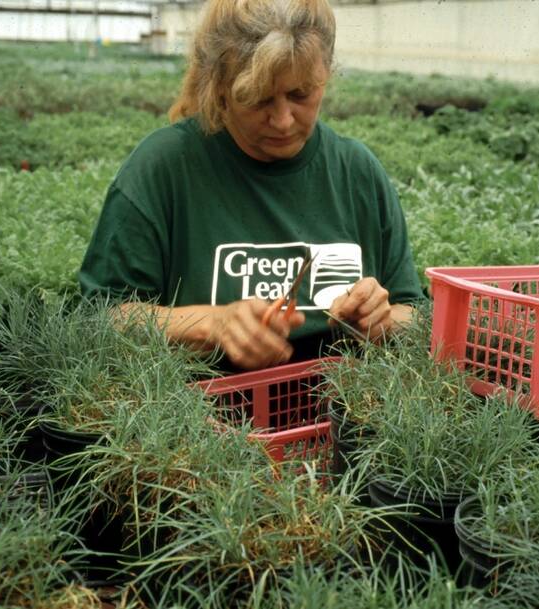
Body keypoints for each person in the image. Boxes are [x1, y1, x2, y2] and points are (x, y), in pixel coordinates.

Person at [79, 0, 422, 371]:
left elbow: (415, 314)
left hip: (339, 416)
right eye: (257, 97)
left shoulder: (357, 172)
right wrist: (213, 324)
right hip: (200, 415)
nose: (283, 120)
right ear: (219, 88)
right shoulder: (165, 166)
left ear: (326, 76)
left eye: (300, 94)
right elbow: (102, 318)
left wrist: (382, 319)